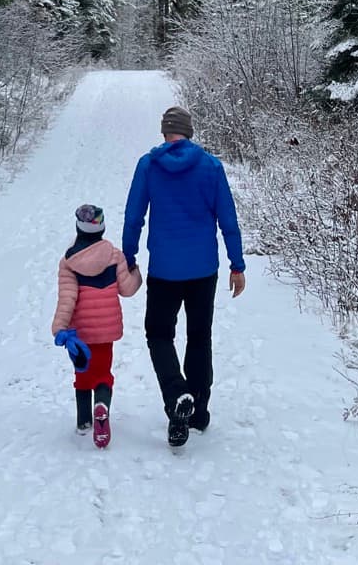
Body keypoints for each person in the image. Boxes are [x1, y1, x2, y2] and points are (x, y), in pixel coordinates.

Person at [122, 105, 246, 448]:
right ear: (189, 132)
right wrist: (237, 265)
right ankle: (199, 412)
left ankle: (177, 396)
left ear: (164, 133)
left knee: (159, 335)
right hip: (203, 269)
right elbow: (228, 220)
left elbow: (134, 216)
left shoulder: (149, 165)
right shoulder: (210, 166)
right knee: (199, 337)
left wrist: (128, 256)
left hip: (164, 269)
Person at [50, 203, 142, 448]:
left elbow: (67, 299)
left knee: (82, 373)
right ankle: (102, 405)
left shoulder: (68, 262)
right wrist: (137, 273)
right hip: (107, 329)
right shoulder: (114, 256)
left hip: (80, 333)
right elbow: (127, 289)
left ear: (78, 228)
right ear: (102, 229)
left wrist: (59, 327)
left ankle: (83, 421)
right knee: (103, 373)